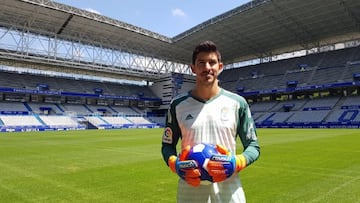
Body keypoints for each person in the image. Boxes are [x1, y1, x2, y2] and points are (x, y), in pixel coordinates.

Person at [161, 40, 260, 203]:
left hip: (229, 194)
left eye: (212, 62)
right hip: (189, 194)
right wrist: (174, 164)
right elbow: (167, 146)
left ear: (220, 67)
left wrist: (238, 162)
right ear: (193, 68)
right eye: (201, 63)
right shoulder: (177, 105)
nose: (207, 67)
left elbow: (254, 146)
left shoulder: (238, 103)